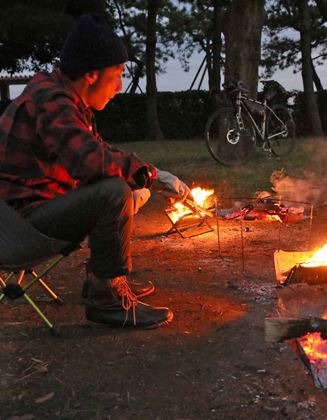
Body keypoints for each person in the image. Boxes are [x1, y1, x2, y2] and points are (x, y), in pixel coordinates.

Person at [0, 13, 190, 329]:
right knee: (113, 193)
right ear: (91, 74)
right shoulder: (53, 100)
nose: (118, 87)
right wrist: (151, 175)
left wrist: (144, 177)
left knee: (120, 189)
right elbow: (89, 161)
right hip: (16, 230)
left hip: (21, 216)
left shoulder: (63, 98)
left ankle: (102, 280)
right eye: (116, 75)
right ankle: (108, 299)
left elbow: (95, 153)